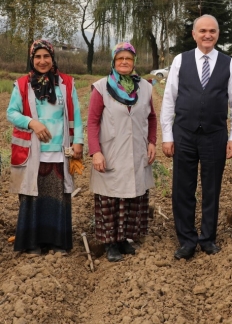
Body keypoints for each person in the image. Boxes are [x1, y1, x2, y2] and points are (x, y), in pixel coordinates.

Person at [161, 14, 232, 260]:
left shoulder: (228, 63)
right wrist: (168, 136)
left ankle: (207, 238)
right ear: (194, 34)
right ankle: (186, 240)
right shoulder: (180, 61)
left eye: (212, 31)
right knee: (182, 190)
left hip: (214, 136)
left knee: (211, 189)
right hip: (184, 134)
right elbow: (169, 99)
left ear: (218, 34)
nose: (208, 35)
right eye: (203, 31)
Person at [6, 39, 83, 254]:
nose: (42, 61)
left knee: (58, 198)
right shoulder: (22, 84)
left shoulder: (66, 83)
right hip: (33, 153)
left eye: (46, 56)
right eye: (37, 57)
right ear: (32, 59)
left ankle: (58, 242)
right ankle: (32, 244)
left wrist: (78, 141)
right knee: (33, 198)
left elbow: (76, 115)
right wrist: (32, 122)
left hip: (59, 152)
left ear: (52, 58)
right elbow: (11, 113)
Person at [87, 42, 157, 262]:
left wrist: (152, 141)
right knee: (111, 198)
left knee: (133, 196)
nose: (124, 62)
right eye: (120, 59)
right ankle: (110, 244)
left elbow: (152, 117)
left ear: (134, 61)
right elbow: (92, 123)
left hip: (137, 150)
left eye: (128, 58)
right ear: (113, 62)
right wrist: (96, 152)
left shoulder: (145, 87)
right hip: (111, 151)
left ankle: (125, 239)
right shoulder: (101, 87)